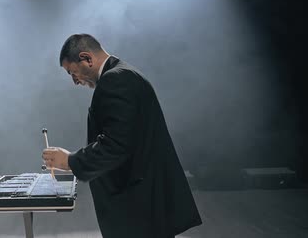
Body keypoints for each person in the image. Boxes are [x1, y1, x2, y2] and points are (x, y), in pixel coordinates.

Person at [42, 34, 202, 238]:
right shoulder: (125, 74)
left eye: (72, 72)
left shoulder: (115, 79)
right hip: (145, 204)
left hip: (138, 208)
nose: (75, 81)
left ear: (86, 58)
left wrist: (70, 161)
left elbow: (116, 145)